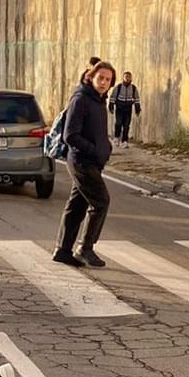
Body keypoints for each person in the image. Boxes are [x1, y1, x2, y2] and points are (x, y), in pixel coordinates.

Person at [54, 61, 115, 268]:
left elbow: (97, 133)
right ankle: (85, 248)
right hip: (81, 161)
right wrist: (95, 150)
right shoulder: (81, 99)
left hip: (93, 161)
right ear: (91, 77)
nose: (104, 82)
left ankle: (63, 250)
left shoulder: (99, 101)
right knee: (101, 202)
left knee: (77, 206)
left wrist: (106, 148)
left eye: (108, 79)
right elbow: (70, 135)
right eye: (101, 78)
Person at [108, 71, 141, 148]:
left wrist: (137, 109)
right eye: (126, 77)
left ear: (131, 78)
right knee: (118, 123)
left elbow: (137, 99)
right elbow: (113, 97)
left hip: (128, 108)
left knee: (126, 125)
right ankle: (116, 138)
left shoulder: (133, 88)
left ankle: (125, 141)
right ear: (123, 78)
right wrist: (111, 106)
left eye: (129, 77)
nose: (127, 78)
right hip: (119, 108)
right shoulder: (118, 87)